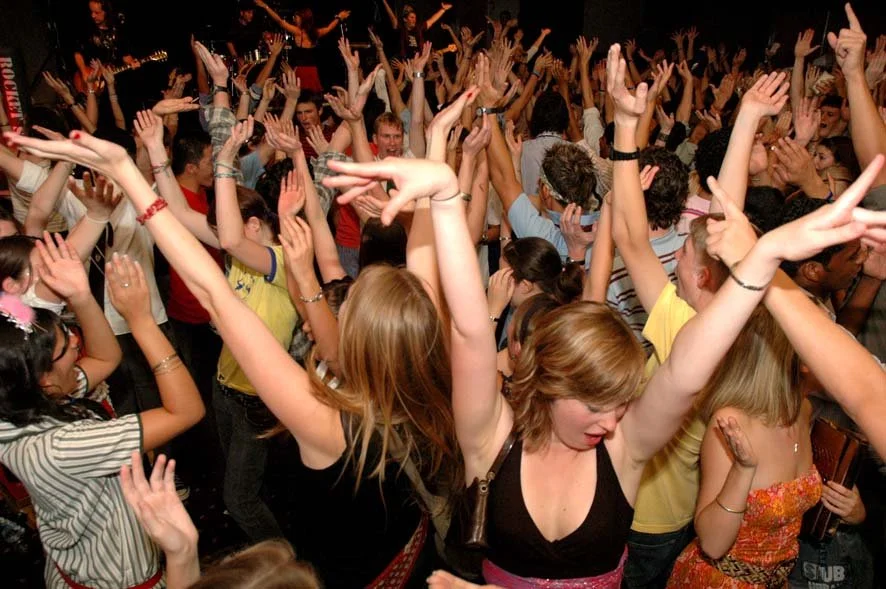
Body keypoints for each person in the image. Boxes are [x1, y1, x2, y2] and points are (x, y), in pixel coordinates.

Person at [6, 106, 468, 586]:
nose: (327, 318)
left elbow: (216, 295)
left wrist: (127, 171)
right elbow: (424, 257)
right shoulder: (431, 377)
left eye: (344, 311)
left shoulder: (331, 425)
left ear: (357, 341)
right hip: (415, 565)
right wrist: (436, 156)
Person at [0, 236, 203, 588]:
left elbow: (105, 359)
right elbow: (185, 411)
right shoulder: (57, 447)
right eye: (66, 348)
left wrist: (81, 298)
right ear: (44, 378)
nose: (77, 342)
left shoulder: (22, 398)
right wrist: (141, 321)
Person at [667, 307, 821, 588]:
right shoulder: (730, 422)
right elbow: (713, 544)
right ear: (792, 357)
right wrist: (743, 468)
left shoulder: (803, 410)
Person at [254, 0, 351, 91]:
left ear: (303, 18)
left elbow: (280, 21)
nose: (294, 19)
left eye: (296, 17)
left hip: (300, 71)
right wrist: (339, 17)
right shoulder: (316, 33)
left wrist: (265, 6)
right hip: (313, 71)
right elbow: (329, 28)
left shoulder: (298, 32)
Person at [73, 0, 137, 93]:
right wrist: (84, 74)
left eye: (97, 12)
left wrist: (132, 62)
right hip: (90, 75)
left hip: (111, 79)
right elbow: (78, 53)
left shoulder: (118, 30)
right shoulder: (87, 29)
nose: (93, 15)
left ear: (107, 12)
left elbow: (125, 55)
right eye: (91, 12)